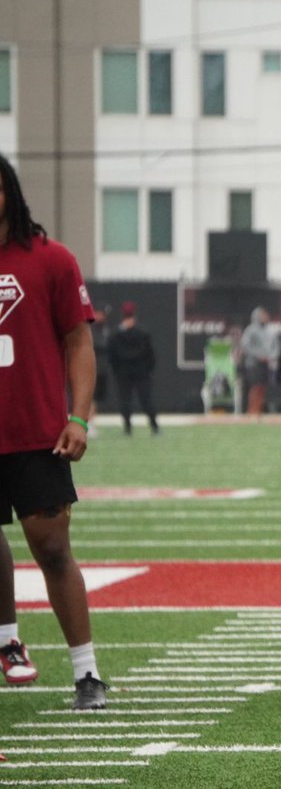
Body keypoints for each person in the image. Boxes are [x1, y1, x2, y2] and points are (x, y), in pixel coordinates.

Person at [0, 152, 107, 710]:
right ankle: (8, 641)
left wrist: (79, 417)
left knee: (53, 549)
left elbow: (79, 342)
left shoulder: (51, 259)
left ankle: (87, 673)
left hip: (37, 434)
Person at [107, 301, 159, 436]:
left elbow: (112, 356)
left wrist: (116, 371)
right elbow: (150, 355)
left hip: (124, 373)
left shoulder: (115, 335)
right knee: (145, 400)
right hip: (141, 372)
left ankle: (128, 429)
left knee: (126, 401)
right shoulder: (142, 333)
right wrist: (148, 370)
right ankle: (154, 427)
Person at [240, 307, 275, 418]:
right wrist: (259, 356)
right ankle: (252, 410)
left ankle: (258, 410)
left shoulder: (268, 330)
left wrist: (270, 356)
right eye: (263, 315)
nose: (265, 317)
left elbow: (273, 346)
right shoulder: (251, 330)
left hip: (265, 364)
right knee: (255, 387)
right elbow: (245, 346)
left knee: (262, 387)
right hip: (253, 364)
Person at [88, 306, 111, 436]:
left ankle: (91, 422)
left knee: (96, 398)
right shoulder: (89, 328)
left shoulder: (105, 329)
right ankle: (87, 422)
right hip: (90, 367)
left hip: (102, 369)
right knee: (89, 396)